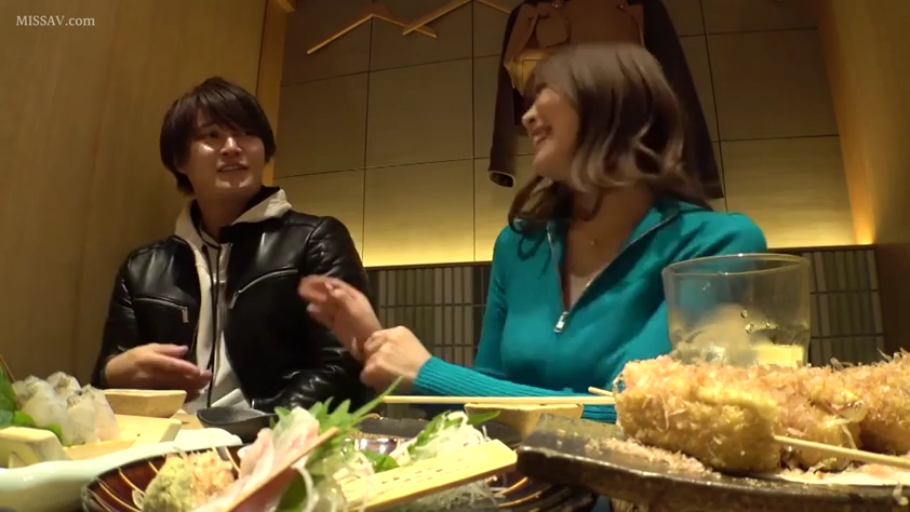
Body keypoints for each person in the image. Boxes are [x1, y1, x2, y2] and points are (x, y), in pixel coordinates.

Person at [298, 44, 768, 423]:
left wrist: (428, 374)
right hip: (519, 491)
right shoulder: (519, 246)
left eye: (546, 91)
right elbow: (482, 407)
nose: (525, 118)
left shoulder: (718, 247)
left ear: (615, 100)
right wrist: (381, 350)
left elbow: (642, 414)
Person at [90, 77, 372, 413]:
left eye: (247, 133)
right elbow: (105, 383)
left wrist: (264, 431)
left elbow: (343, 368)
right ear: (180, 160)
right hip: (172, 436)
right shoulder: (142, 268)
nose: (232, 147)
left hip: (274, 435)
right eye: (211, 135)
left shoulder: (316, 240)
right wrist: (111, 373)